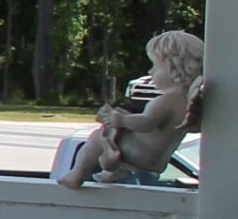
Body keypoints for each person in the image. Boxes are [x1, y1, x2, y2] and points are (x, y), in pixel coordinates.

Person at [56, 29, 204, 188]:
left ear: (175, 69)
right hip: (157, 158)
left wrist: (121, 120)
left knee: (97, 137)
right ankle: (114, 172)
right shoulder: (185, 101)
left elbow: (147, 123)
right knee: (119, 125)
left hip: (140, 154)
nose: (150, 71)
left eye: (156, 66)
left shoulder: (165, 101)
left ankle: (77, 175)